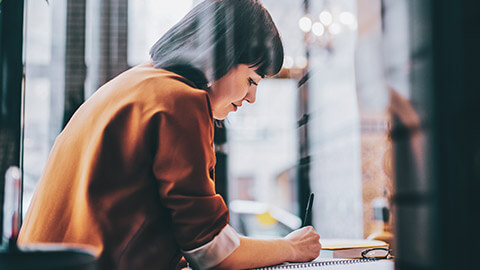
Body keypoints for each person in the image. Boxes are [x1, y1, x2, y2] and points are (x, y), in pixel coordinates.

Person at [18, 0, 321, 269]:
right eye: (252, 80)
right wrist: (290, 247)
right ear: (222, 55)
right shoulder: (180, 100)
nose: (251, 98)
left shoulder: (137, 83)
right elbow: (211, 252)